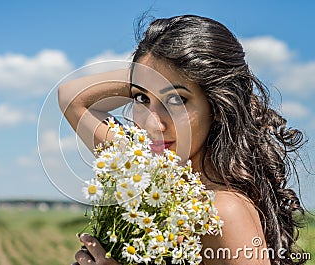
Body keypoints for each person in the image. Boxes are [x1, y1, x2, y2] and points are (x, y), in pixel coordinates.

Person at [58, 14, 307, 265]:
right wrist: (149, 72)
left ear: (218, 106)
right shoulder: (144, 172)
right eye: (142, 99)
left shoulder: (223, 212)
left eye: (177, 100)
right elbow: (71, 97)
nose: (152, 125)